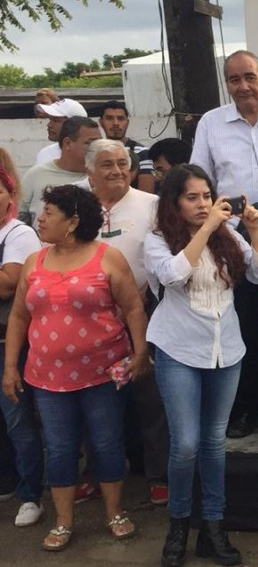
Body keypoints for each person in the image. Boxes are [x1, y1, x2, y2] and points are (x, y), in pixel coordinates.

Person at [2, 185, 149, 551]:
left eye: (49, 212)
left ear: (72, 222)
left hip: (102, 373)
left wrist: (140, 353)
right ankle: (63, 521)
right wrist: (9, 367)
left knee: (106, 442)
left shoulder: (107, 258)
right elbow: (19, 316)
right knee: (60, 447)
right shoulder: (36, 261)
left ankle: (115, 513)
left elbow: (133, 308)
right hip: (47, 377)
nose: (40, 218)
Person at [146, 164, 258, 567]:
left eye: (207, 196)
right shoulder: (157, 240)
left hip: (226, 350)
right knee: (185, 444)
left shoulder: (227, 235)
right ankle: (179, 525)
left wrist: (252, 230)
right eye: (192, 198)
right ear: (174, 202)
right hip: (178, 349)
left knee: (214, 443)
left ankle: (214, 528)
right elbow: (171, 275)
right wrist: (207, 229)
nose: (203, 205)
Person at [190, 50, 258, 439]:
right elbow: (200, 180)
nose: (243, 86)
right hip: (232, 237)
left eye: (249, 77)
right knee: (243, 326)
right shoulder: (212, 124)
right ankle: (251, 404)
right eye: (234, 79)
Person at [85, 139, 170, 505]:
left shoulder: (151, 206)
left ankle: (159, 475)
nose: (117, 171)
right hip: (89, 318)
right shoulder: (78, 207)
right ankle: (98, 473)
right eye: (107, 164)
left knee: (151, 398)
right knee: (95, 400)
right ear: (90, 172)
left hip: (144, 310)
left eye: (123, 163)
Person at [0, 167, 45, 528]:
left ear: (11, 195)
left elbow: (8, 285)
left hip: (8, 343)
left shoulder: (19, 233)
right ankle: (8, 480)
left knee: (20, 420)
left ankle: (33, 494)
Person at [19, 116, 101, 224]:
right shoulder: (35, 175)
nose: (98, 148)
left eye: (100, 143)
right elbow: (18, 219)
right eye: (90, 143)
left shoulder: (101, 178)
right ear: (67, 143)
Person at [99, 101, 155, 193]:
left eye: (120, 118)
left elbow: (146, 194)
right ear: (101, 122)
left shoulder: (142, 153)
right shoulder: (95, 152)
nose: (115, 123)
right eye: (109, 118)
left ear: (127, 122)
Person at [32, 98, 88, 166]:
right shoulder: (45, 154)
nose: (49, 125)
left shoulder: (94, 155)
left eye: (56, 121)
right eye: (50, 119)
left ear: (75, 124)